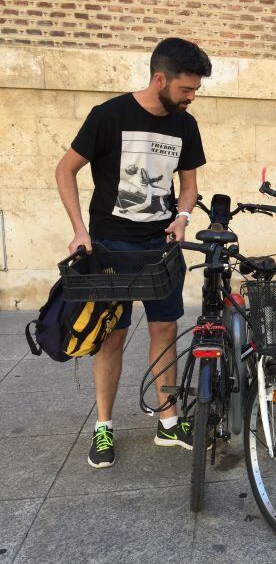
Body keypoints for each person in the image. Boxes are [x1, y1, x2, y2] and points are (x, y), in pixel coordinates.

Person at [55, 38, 211, 468]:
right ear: (159, 78)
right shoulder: (108, 116)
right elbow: (65, 169)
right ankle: (103, 427)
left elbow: (189, 184)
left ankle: (168, 421)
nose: (191, 97)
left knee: (165, 329)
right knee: (111, 336)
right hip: (111, 246)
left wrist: (182, 217)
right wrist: (79, 231)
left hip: (161, 248)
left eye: (195, 90)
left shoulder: (185, 124)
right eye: (185, 89)